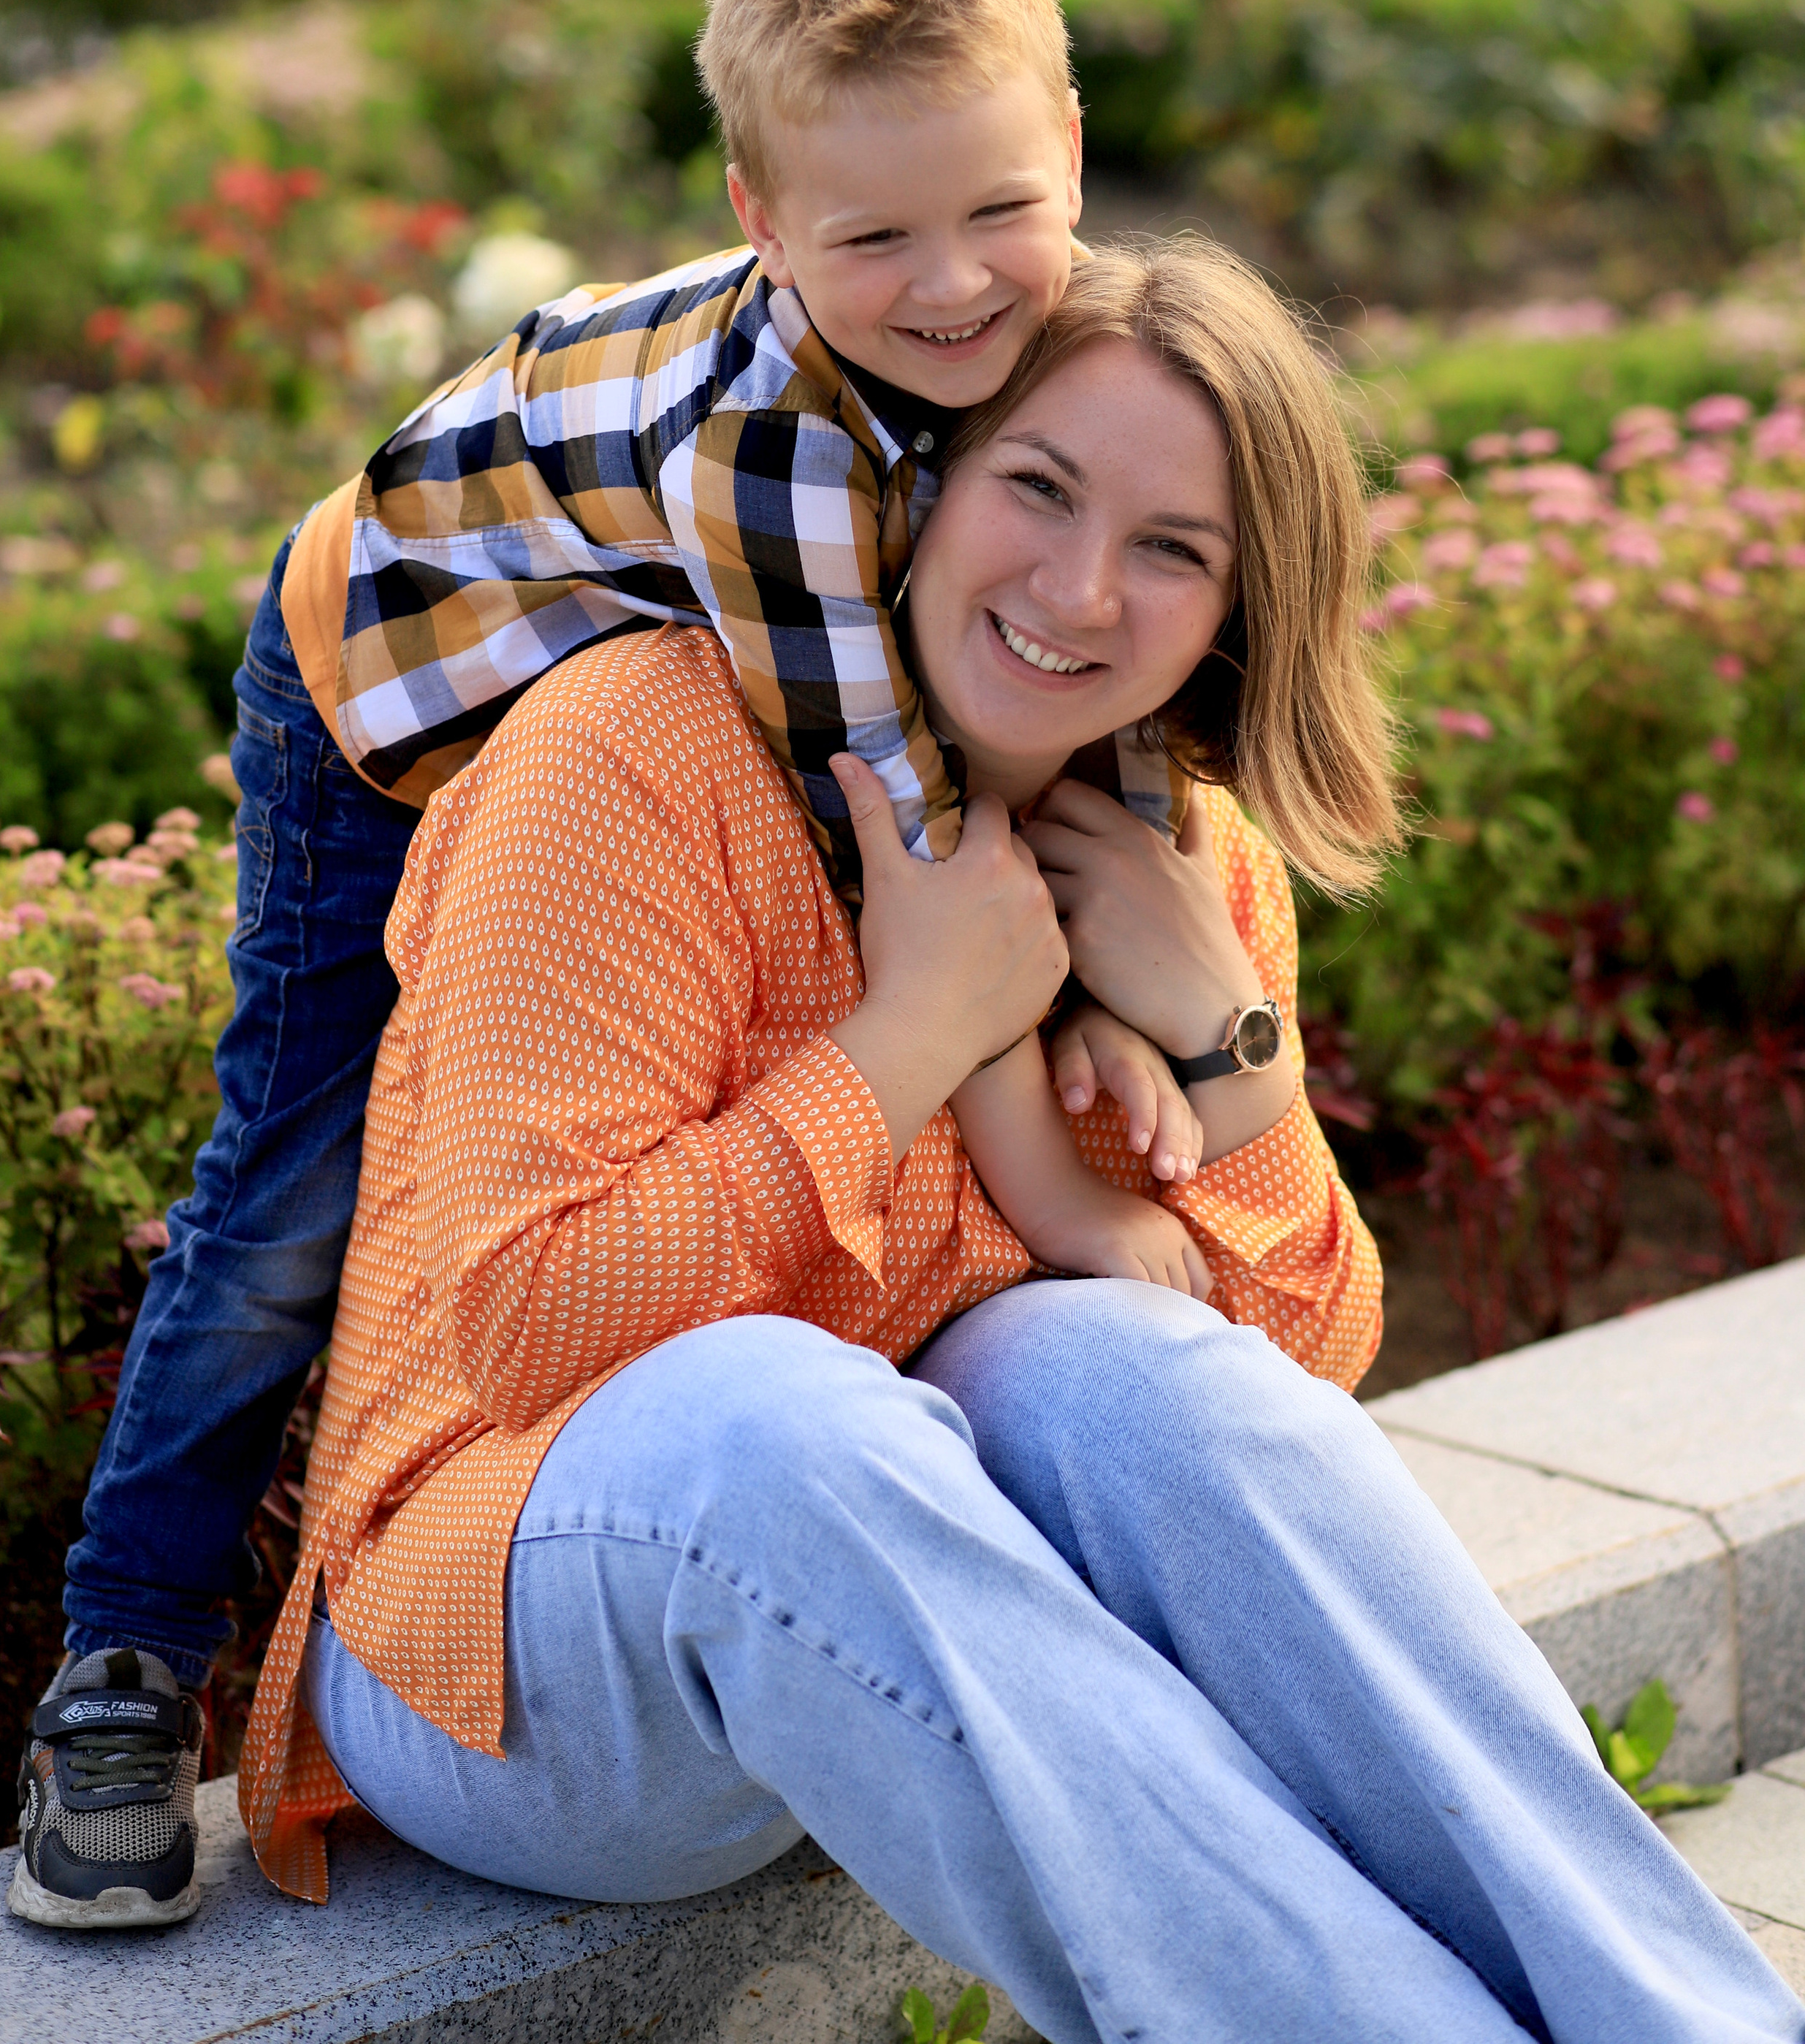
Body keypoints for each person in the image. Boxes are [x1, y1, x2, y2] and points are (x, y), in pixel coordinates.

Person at [212, 245, 1794, 2044]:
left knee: (1121, 1368)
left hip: (896, 1618)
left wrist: (1233, 1043)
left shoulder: (1159, 848)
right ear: (918, 484)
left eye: (1173, 550)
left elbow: (1278, 1387)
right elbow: (529, 1333)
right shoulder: (635, 752)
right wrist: (905, 1042)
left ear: (1234, 611)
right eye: (1035, 488)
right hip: (502, 1654)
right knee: (779, 1411)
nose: (1078, 590)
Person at [15, 0, 1220, 1929]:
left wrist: (1142, 993)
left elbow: (1054, 704)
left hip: (599, 665)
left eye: (998, 211)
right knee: (295, 1177)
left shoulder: (1061, 343)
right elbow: (911, 850)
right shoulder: (778, 459)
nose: (953, 287)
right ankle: (122, 1667)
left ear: (1075, 147)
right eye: (871, 243)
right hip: (385, 679)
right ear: (761, 216)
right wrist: (1081, 1183)